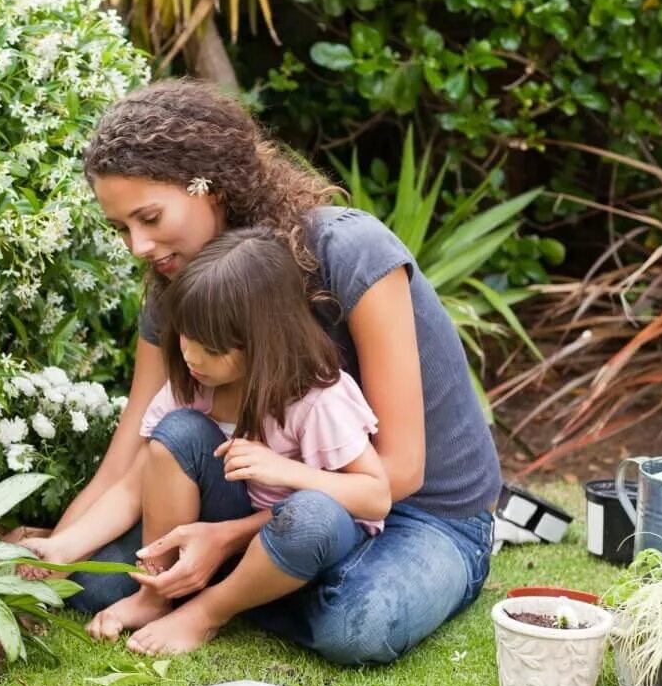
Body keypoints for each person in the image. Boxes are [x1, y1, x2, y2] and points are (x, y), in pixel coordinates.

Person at [20, 79, 499, 665]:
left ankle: (228, 593)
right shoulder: (174, 288)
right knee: (94, 587)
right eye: (122, 228)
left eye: (149, 216)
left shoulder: (349, 253)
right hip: (264, 492)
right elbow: (132, 454)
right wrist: (52, 565)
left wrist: (224, 537)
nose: (137, 247)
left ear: (210, 184)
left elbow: (396, 475)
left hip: (416, 514)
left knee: (360, 625)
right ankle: (262, 582)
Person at [22, 228, 392, 655]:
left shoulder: (316, 399)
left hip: (302, 544)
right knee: (90, 587)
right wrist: (63, 547)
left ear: (264, 341)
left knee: (309, 517)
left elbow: (376, 496)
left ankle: (205, 614)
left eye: (211, 349)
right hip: (218, 528)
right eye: (185, 338)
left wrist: (285, 471)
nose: (192, 358)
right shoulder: (193, 384)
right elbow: (134, 484)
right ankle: (156, 592)